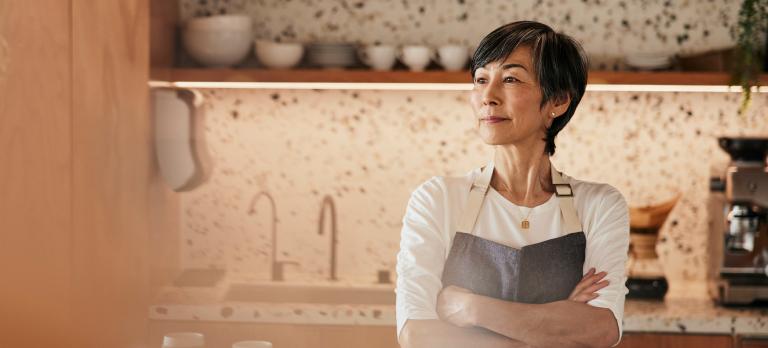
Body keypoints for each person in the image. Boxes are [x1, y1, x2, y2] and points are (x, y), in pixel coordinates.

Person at [395, 21, 629, 348]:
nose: (487, 97)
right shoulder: (438, 199)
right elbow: (417, 335)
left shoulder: (599, 205)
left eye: (510, 79)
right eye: (480, 79)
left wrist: (471, 308)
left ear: (558, 100)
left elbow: (600, 329)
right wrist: (553, 328)